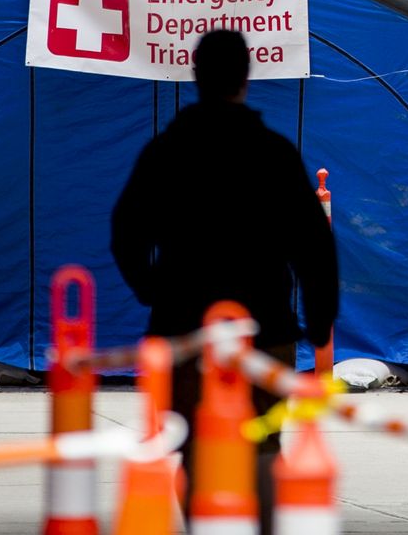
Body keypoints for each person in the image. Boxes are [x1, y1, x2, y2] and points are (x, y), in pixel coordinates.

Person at [110, 30, 337, 528]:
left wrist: (153, 291)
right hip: (266, 330)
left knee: (194, 444)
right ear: (245, 78)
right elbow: (314, 248)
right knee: (262, 443)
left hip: (183, 330)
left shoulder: (166, 152)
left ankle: (205, 521)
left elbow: (125, 233)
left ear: (196, 77)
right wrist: (319, 324)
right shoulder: (274, 153)